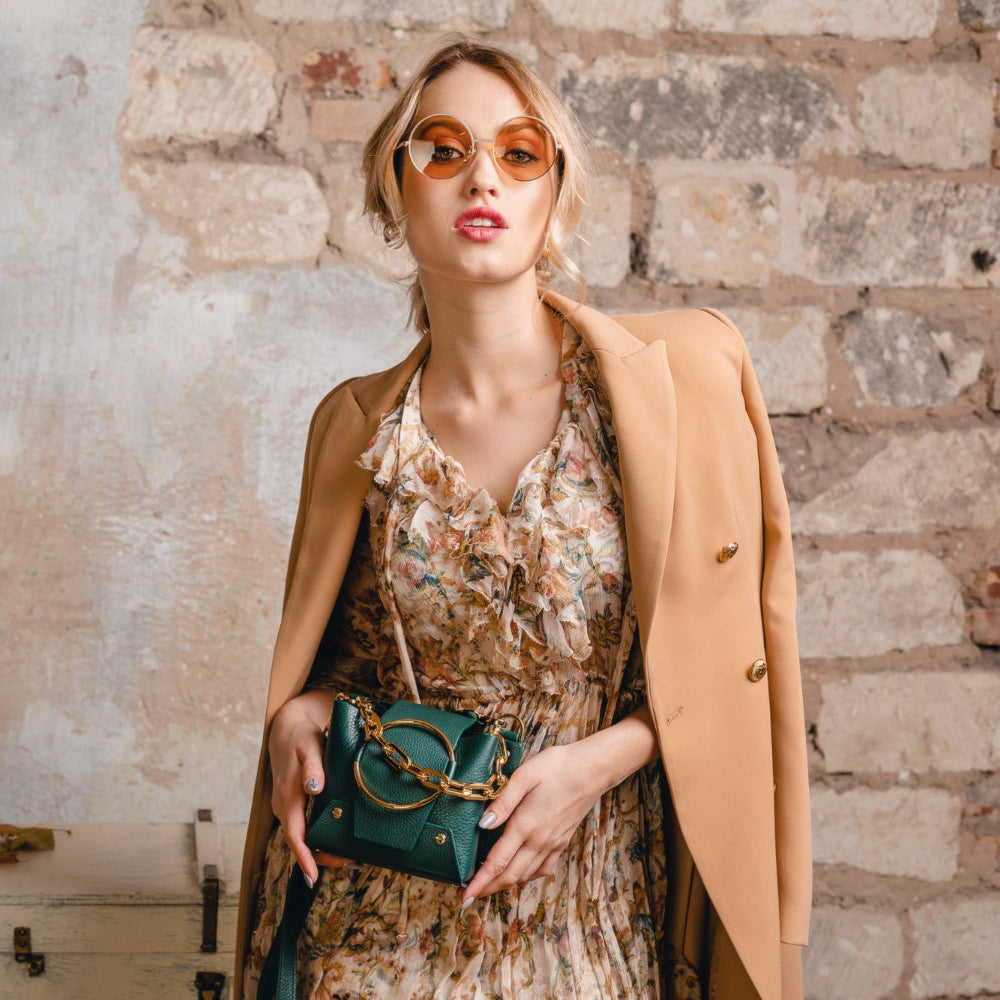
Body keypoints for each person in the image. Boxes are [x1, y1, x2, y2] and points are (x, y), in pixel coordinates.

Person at [235, 37, 812, 1000]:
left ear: (555, 194)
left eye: (518, 152)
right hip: (381, 926)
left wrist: (600, 761)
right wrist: (299, 713)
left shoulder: (684, 385)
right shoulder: (354, 426)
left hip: (592, 918)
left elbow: (743, 658)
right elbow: (337, 668)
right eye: (443, 149)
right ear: (393, 192)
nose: (480, 179)